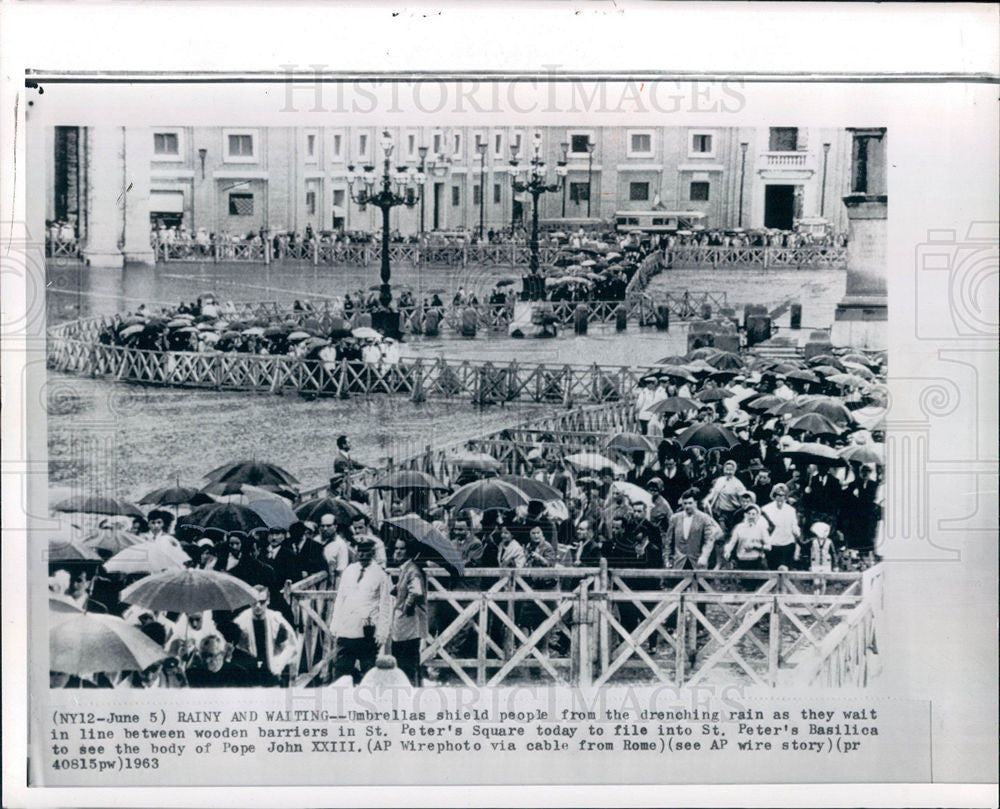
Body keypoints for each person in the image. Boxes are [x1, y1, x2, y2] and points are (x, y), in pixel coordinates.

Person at [329, 539, 393, 684]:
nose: (363, 556)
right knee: (340, 671)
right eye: (360, 552)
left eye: (367, 552)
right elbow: (340, 599)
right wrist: (335, 624)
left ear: (373, 553)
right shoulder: (349, 570)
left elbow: (385, 606)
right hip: (347, 629)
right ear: (356, 552)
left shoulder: (380, 574)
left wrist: (382, 632)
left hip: (367, 631)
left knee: (369, 673)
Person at [233, 586, 299, 684]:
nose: (258, 605)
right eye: (254, 601)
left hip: (272, 670)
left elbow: (291, 645)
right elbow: (233, 648)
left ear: (268, 601)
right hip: (249, 672)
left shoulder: (277, 620)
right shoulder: (241, 622)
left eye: (262, 601)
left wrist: (279, 663)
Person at [390, 538, 428, 687]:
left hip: (409, 622)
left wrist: (406, 607)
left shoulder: (412, 570)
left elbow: (416, 591)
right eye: (396, 549)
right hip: (406, 623)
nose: (398, 552)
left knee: (407, 658)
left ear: (409, 551)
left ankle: (410, 689)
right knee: (407, 658)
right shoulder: (406, 568)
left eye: (402, 549)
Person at [663, 488, 722, 569]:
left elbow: (708, 541)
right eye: (685, 503)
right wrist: (667, 559)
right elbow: (668, 542)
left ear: (695, 503)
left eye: (690, 503)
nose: (687, 506)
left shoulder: (705, 518)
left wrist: (704, 556)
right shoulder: (675, 518)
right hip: (678, 563)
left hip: (697, 562)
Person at [761, 483, 800, 570]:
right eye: (778, 495)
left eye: (782, 495)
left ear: (785, 497)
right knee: (773, 569)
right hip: (772, 544)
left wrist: (796, 531)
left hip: (787, 544)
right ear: (774, 496)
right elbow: (763, 528)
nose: (780, 498)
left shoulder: (791, 510)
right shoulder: (765, 509)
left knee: (785, 569)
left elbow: (794, 525)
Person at [723, 504, 772, 574]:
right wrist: (727, 552)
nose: (751, 516)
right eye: (749, 514)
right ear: (745, 515)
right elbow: (732, 543)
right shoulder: (739, 527)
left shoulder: (761, 528)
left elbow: (769, 547)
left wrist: (756, 546)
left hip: (756, 562)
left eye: (753, 514)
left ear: (757, 516)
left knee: (756, 584)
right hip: (741, 561)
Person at [319, 514, 352, 586]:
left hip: (331, 583)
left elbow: (340, 571)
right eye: (322, 526)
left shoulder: (340, 544)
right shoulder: (316, 540)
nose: (325, 528)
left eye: (328, 526)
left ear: (335, 526)